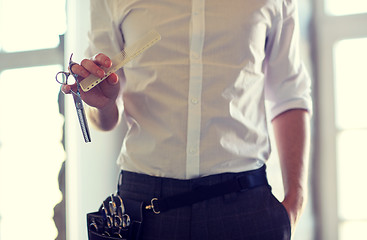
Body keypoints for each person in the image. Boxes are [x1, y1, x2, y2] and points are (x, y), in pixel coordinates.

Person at [62, 0, 312, 239]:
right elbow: (103, 120)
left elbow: (289, 94)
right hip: (145, 208)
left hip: (246, 203)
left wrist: (295, 203)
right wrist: (103, 103)